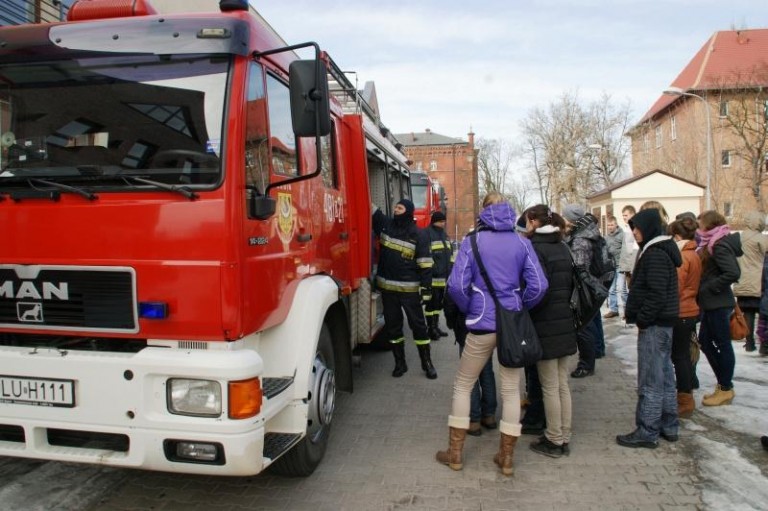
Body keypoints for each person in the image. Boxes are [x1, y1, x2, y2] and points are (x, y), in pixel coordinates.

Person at [436, 192, 548, 476]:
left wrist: (470, 307)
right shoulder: (522, 243)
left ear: (483, 211)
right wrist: (520, 305)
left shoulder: (472, 242)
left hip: (481, 323)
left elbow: (456, 286)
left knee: (464, 384)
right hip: (512, 323)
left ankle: (456, 454)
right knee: (511, 389)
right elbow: (539, 285)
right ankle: (507, 457)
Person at [617, 208, 681, 449]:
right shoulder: (660, 251)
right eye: (632, 228)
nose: (634, 232)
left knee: (651, 380)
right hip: (662, 323)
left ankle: (648, 430)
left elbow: (656, 293)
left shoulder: (655, 254)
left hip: (655, 325)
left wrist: (643, 319)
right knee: (664, 377)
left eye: (637, 228)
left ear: (650, 227)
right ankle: (668, 424)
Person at [525, 205, 578, 458]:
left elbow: (536, 289)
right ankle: (564, 435)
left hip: (544, 323)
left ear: (534, 222)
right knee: (561, 384)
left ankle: (554, 439)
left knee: (549, 386)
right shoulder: (563, 246)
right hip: (564, 321)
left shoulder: (535, 248)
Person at [372, 199, 437, 379]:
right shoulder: (386, 225)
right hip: (388, 290)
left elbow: (425, 264)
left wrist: (426, 289)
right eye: (395, 207)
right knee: (393, 328)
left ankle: (427, 363)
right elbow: (370, 208)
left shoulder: (419, 234)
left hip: (409, 291)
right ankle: (400, 363)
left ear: (408, 211)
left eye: (400, 208)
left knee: (419, 327)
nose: (396, 210)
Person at [696, 210, 743, 406]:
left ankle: (725, 387)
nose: (698, 229)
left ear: (709, 226)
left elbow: (733, 272)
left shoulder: (719, 244)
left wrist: (709, 287)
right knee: (705, 342)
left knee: (722, 344)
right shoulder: (712, 241)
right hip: (712, 302)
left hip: (718, 302)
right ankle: (723, 385)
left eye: (700, 225)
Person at [444, 292, 497, 436]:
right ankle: (489, 415)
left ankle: (474, 420)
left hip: (467, 326)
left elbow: (451, 299)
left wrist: (452, 323)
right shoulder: (494, 268)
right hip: (489, 324)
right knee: (487, 371)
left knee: (469, 376)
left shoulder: (462, 269)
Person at [563, 204, 605, 376]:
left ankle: (586, 365)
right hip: (595, 285)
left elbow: (580, 266)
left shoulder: (580, 239)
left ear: (572, 220)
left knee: (583, 326)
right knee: (592, 321)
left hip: (585, 287)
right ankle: (596, 351)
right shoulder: (590, 232)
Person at [667, 218, 702, 418]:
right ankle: (686, 393)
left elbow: (676, 286)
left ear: (677, 236)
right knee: (684, 355)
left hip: (681, 310)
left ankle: (684, 398)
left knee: (679, 356)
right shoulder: (694, 254)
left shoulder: (683, 257)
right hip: (690, 310)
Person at [732, 211, 768, 352]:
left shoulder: (739, 237)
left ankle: (749, 342)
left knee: (747, 313)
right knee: (764, 313)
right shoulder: (762, 239)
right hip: (758, 280)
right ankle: (764, 343)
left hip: (742, 279)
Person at [424, 211, 452, 341]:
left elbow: (449, 255)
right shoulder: (428, 234)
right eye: (441, 221)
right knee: (430, 305)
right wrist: (435, 269)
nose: (443, 223)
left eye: (444, 221)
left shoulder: (444, 235)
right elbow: (426, 255)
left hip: (444, 278)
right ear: (435, 221)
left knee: (438, 305)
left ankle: (436, 327)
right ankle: (431, 329)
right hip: (433, 279)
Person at [617, 205, 639, 319]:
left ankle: (633, 311)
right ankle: (628, 310)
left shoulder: (635, 227)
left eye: (626, 215)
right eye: (623, 215)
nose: (624, 217)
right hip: (626, 262)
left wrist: (632, 265)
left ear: (632, 214)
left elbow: (635, 248)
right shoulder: (626, 227)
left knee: (633, 288)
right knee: (626, 288)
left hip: (633, 262)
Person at [604, 215, 624, 319]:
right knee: (611, 289)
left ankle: (626, 309)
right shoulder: (606, 237)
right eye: (608, 225)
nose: (610, 227)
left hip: (620, 265)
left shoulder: (622, 235)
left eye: (612, 225)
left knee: (621, 288)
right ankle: (613, 309)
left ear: (616, 224)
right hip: (611, 266)